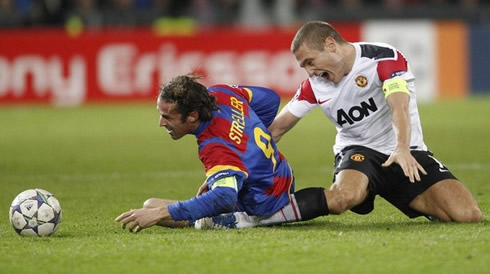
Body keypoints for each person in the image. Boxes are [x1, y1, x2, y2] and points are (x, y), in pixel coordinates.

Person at [268, 21, 482, 222]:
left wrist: (402, 148)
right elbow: (278, 128)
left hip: (407, 151)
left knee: (468, 215)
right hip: (360, 152)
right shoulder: (314, 85)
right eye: (304, 66)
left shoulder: (382, 58)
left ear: (330, 45)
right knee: (343, 197)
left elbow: (398, 105)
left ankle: (403, 194)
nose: (310, 71)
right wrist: (245, 158)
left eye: (310, 62)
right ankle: (259, 215)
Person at [115, 75, 329, 232]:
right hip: (283, 175)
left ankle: (229, 220)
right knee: (152, 204)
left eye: (167, 117)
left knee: (152, 206)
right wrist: (248, 146)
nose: (161, 123)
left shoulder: (214, 146)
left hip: (263, 203)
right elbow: (270, 99)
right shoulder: (221, 93)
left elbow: (225, 197)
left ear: (192, 117)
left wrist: (159, 214)